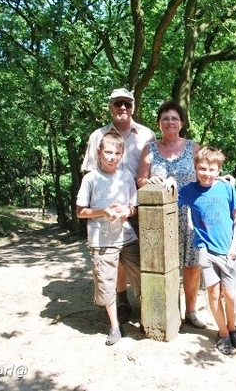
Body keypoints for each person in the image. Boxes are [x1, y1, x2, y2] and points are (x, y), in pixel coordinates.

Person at [82, 88, 156, 324]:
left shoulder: (147, 135)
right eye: (117, 103)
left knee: (141, 255)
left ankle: (148, 302)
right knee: (116, 257)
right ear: (110, 106)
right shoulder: (98, 136)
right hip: (108, 211)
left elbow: (155, 168)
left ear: (133, 106)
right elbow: (90, 173)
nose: (122, 108)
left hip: (139, 204)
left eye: (127, 103)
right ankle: (122, 301)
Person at [136, 101, 207, 329]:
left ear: (182, 123)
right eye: (165, 118)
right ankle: (168, 310)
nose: (170, 122)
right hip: (159, 217)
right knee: (164, 265)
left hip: (190, 216)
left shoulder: (194, 148)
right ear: (159, 123)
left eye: (174, 118)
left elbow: (207, 176)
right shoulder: (150, 149)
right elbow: (140, 180)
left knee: (192, 265)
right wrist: (149, 181)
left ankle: (191, 311)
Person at [172, 146, 236, 355]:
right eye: (202, 169)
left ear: (219, 170)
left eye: (212, 169)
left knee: (230, 295)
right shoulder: (189, 191)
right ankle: (222, 333)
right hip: (205, 250)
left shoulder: (227, 188)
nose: (207, 173)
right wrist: (169, 182)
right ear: (195, 168)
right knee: (214, 293)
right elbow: (172, 197)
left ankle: (232, 327)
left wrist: (235, 245)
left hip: (228, 250)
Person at [76, 132, 141, 345]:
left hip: (126, 236)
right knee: (106, 282)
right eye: (108, 152)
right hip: (101, 240)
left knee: (142, 275)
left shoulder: (126, 178)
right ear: (99, 153)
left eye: (117, 153)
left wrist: (125, 212)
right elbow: (80, 211)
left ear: (122, 154)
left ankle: (145, 316)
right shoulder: (90, 179)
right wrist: (103, 211)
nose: (112, 157)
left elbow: (134, 207)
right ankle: (114, 326)